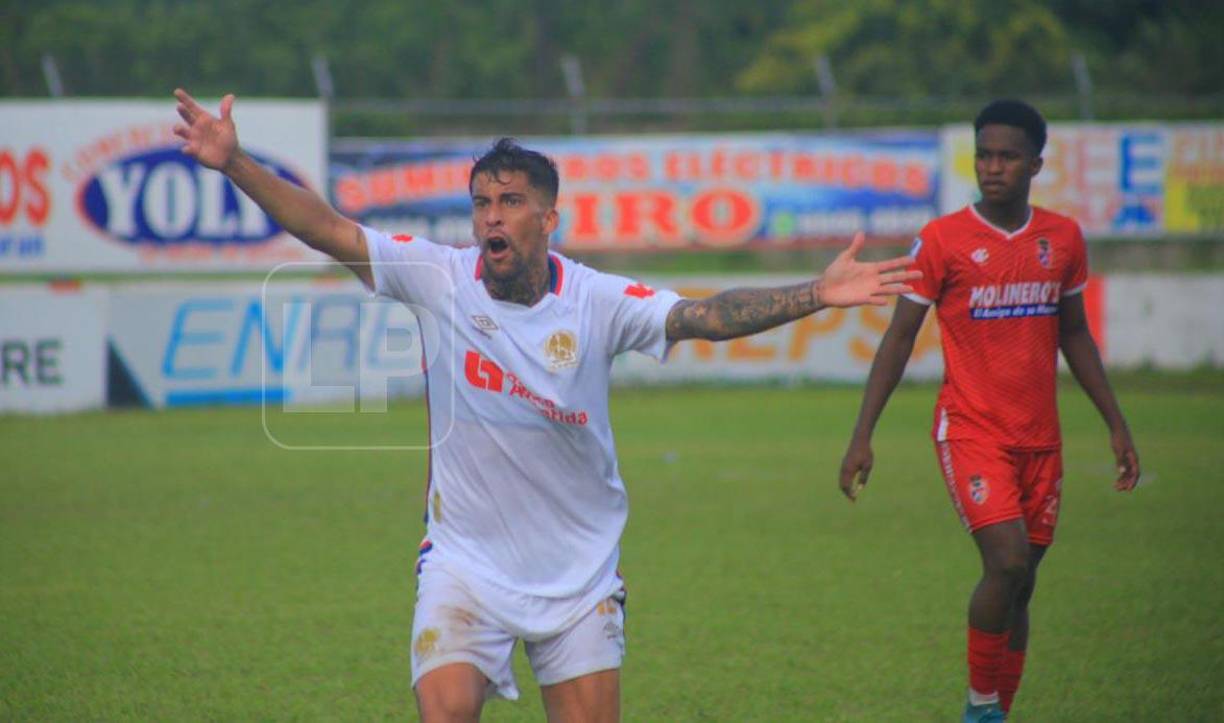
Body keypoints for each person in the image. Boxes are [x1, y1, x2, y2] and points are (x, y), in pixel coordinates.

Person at [173, 87, 920, 722]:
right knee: (445, 708)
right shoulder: (439, 277)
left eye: (510, 202)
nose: (492, 218)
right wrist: (234, 161)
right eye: (481, 204)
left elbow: (705, 316)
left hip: (579, 572)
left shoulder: (596, 301)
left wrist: (817, 294)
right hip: (465, 561)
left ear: (548, 217)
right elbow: (328, 227)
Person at [837, 99, 1140, 722]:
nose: (993, 167)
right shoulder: (943, 240)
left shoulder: (1063, 239)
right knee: (1004, 562)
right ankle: (980, 709)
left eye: (1007, 156)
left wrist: (1116, 423)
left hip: (1041, 440)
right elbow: (897, 340)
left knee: (1021, 583)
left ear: (1035, 163)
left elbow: (1075, 335)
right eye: (984, 155)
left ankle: (1000, 710)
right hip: (971, 432)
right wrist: (861, 435)